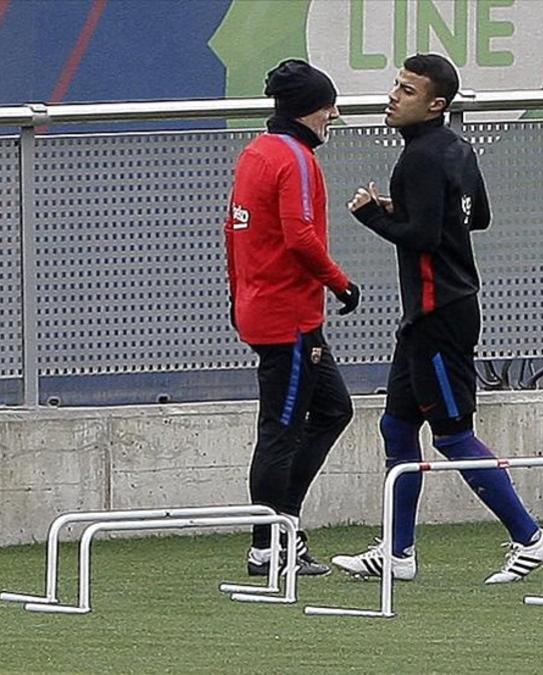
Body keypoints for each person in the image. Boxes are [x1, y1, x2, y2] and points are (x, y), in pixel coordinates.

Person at [333, 53, 543, 584]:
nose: (393, 96)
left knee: (453, 434)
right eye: (396, 85)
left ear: (436, 104)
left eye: (407, 91)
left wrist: (372, 216)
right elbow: (477, 216)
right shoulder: (457, 148)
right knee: (396, 424)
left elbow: (426, 237)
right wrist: (404, 209)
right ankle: (398, 552)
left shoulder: (420, 159)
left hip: (440, 315)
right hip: (430, 315)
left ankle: (531, 538)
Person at [224, 58, 361, 577]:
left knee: (333, 410)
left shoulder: (256, 152)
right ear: (313, 110)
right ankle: (269, 544)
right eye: (329, 107)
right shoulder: (297, 160)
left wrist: (238, 295)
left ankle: (284, 525)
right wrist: (340, 283)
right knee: (281, 430)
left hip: (263, 308)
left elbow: (233, 229)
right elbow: (300, 236)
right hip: (290, 318)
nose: (334, 116)